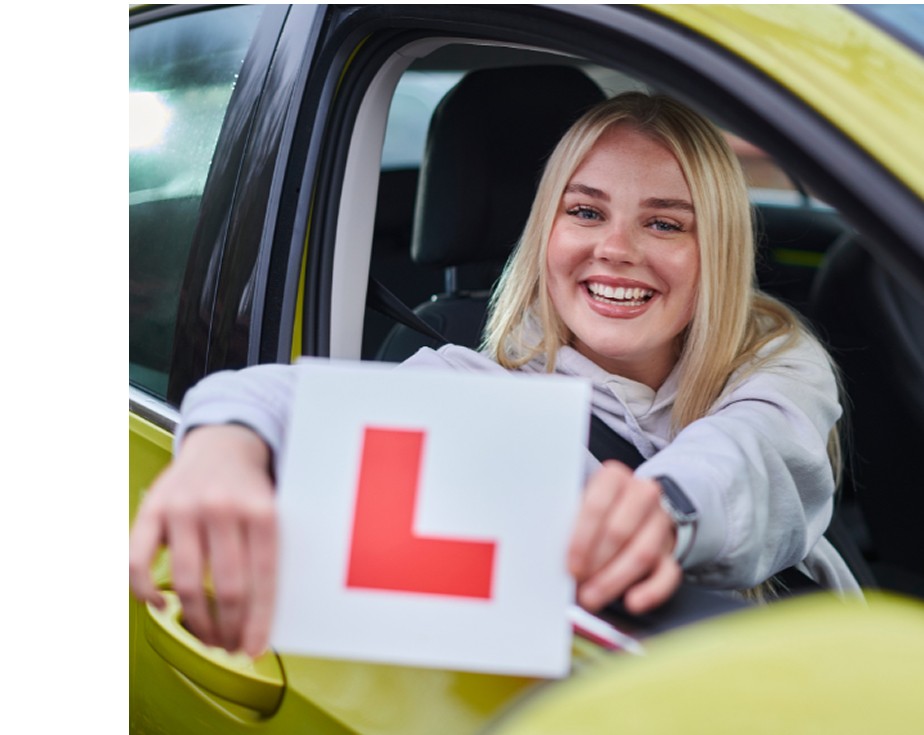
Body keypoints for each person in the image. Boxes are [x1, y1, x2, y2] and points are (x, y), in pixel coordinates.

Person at [128, 92, 859, 658]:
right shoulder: (480, 390)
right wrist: (220, 444)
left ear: (720, 251)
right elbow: (275, 394)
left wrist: (664, 507)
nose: (617, 248)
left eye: (665, 223)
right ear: (547, 232)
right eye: (585, 211)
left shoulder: (775, 356)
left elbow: (760, 447)